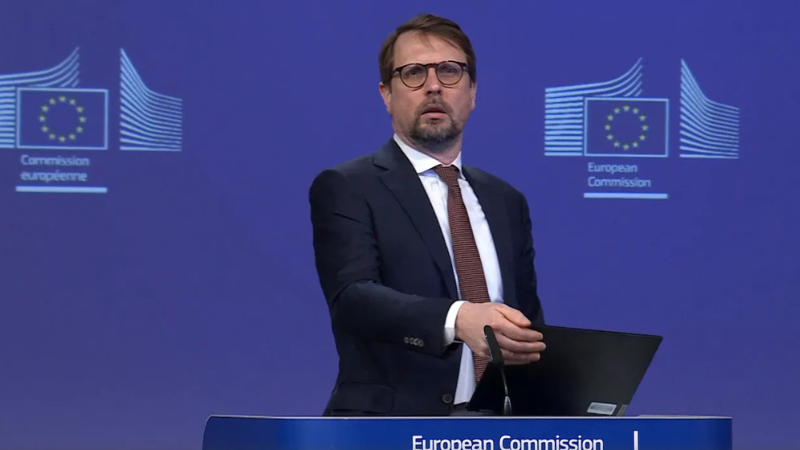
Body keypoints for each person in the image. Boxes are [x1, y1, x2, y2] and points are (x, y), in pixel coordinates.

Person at [308, 13, 546, 417]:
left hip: (495, 430)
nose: (433, 86)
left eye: (449, 71)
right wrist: (458, 319)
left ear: (472, 91)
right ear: (386, 94)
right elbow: (352, 299)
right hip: (390, 429)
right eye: (414, 73)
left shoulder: (506, 200)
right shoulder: (349, 186)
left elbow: (527, 324)